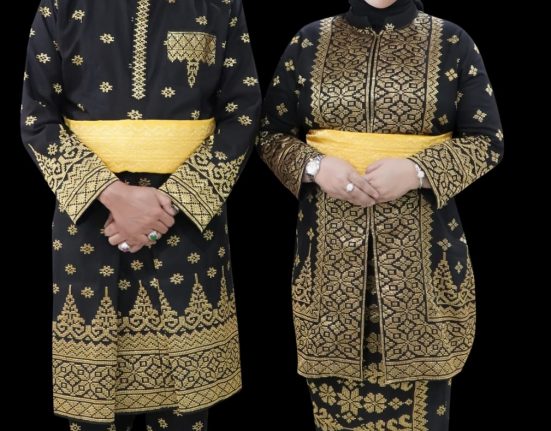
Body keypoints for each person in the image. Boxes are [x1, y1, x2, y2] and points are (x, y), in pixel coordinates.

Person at [258, 0, 503, 429]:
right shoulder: (310, 40)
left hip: (423, 264)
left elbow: (487, 141)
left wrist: (416, 171)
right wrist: (316, 167)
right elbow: (270, 135)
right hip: (329, 261)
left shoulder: (452, 41)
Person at [20, 0, 260, 429]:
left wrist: (171, 202)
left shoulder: (220, 6)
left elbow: (242, 114)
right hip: (91, 225)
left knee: (185, 411)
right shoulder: (60, 6)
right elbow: (37, 117)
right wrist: (112, 194)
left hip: (188, 226)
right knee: (94, 411)